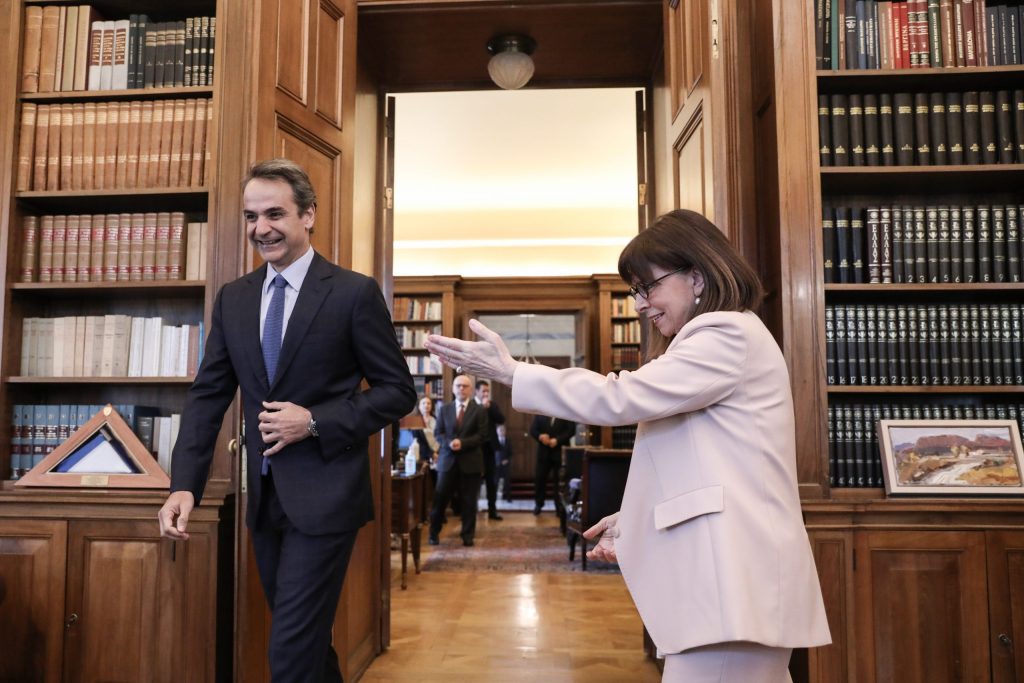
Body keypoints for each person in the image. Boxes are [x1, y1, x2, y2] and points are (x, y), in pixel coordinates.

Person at [424, 209, 830, 682]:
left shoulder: (725, 334)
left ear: (697, 276)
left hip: (733, 583)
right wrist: (633, 517)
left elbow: (620, 397)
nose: (639, 305)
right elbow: (706, 466)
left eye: (647, 287)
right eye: (635, 292)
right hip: (731, 586)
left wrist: (513, 372)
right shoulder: (720, 337)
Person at [157, 158, 416, 683]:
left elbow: (397, 393)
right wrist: (184, 485)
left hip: (327, 500)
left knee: (291, 653)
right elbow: (207, 397)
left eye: (274, 214)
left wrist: (314, 421)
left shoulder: (353, 293)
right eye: (251, 217)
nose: (261, 229)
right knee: (307, 644)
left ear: (308, 215)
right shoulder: (234, 299)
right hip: (264, 500)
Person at [428, 374, 488, 547]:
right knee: (440, 500)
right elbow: (438, 433)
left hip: (471, 462)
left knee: (469, 502)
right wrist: (449, 443)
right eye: (458, 385)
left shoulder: (479, 410)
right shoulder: (444, 409)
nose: (461, 388)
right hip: (447, 462)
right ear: (453, 389)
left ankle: (467, 535)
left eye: (465, 386)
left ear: (471, 389)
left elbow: (482, 435)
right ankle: (433, 533)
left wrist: (462, 443)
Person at [529, 413, 576, 515]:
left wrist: (557, 440)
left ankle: (559, 507)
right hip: (543, 454)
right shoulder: (540, 413)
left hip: (560, 453)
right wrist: (540, 436)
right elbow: (533, 430)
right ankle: (538, 504)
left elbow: (571, 430)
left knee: (559, 482)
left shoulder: (564, 412)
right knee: (540, 479)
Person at [475, 379, 505, 520]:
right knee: (474, 480)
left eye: (487, 391)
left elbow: (501, 419)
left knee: (491, 481)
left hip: (489, 448)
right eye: (483, 391)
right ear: (477, 391)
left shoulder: (492, 405)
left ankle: (492, 511)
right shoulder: (472, 405)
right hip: (475, 448)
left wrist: (489, 408)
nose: (486, 394)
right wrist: (481, 408)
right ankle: (472, 509)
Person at [494, 423, 513, 501]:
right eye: (500, 430)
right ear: (497, 431)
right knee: (495, 481)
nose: (502, 431)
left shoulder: (508, 441)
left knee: (507, 482)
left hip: (506, 464)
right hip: (496, 464)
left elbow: (511, 453)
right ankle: (493, 497)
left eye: (503, 430)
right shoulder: (494, 441)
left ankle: (508, 497)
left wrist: (507, 460)